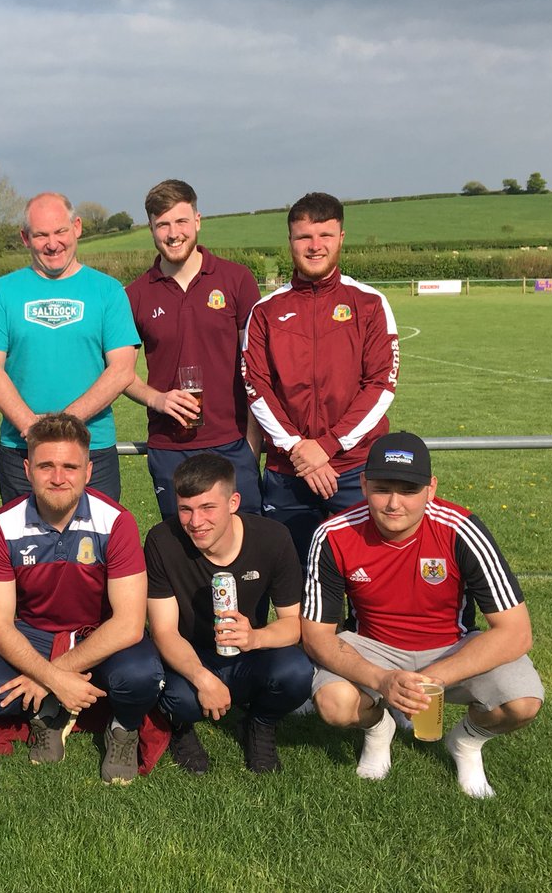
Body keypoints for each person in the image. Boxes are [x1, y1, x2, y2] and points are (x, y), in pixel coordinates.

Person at [302, 431, 544, 798]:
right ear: (364, 483)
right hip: (373, 647)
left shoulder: (462, 529)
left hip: (452, 647)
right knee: (335, 705)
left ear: (431, 488)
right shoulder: (333, 534)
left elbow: (516, 632)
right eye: (382, 488)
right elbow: (316, 635)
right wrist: (382, 680)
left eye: (409, 490)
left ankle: (466, 742)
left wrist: (433, 679)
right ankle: (379, 727)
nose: (394, 503)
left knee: (522, 702)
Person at [0, 413, 163, 785]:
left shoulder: (116, 521)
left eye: (70, 466)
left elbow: (129, 623)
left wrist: (50, 677)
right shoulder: (0, 525)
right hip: (35, 631)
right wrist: (52, 676)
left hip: (96, 632)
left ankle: (122, 727)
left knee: (141, 676)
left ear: (88, 470)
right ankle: (47, 714)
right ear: (27, 469)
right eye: (46, 466)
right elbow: (0, 625)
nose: (58, 477)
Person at [240, 191, 399, 564]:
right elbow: (257, 387)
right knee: (290, 583)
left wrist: (326, 446)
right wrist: (299, 449)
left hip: (355, 468)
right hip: (287, 472)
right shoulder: (265, 311)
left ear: (341, 237)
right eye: (304, 237)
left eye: (325, 235)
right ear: (290, 241)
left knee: (365, 578)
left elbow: (381, 384)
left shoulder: (370, 303)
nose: (315, 246)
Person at [145, 454, 312, 775]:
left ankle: (259, 724)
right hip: (188, 654)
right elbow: (164, 631)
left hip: (247, 650)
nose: (196, 522)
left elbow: (293, 624)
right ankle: (181, 728)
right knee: (179, 698)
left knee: (297, 673)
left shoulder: (272, 538)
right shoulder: (162, 541)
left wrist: (255, 637)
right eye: (185, 509)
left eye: (208, 508)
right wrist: (202, 678)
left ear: (233, 502)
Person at [0, 192, 140, 504]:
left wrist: (63, 425)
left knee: (95, 549)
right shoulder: (2, 292)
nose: (52, 243)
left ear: (76, 227)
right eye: (41, 235)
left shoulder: (108, 291)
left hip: (92, 448)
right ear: (25, 238)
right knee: (25, 549)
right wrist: (31, 428)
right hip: (21, 450)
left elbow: (122, 370)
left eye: (60, 231)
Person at [126, 180, 263, 520]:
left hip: (232, 443)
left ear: (198, 220)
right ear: (151, 229)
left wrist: (250, 446)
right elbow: (119, 374)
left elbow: (259, 367)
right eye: (163, 224)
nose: (174, 234)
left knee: (245, 550)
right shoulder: (136, 294)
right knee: (182, 554)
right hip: (168, 448)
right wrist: (156, 398)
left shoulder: (236, 280)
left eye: (181, 221)